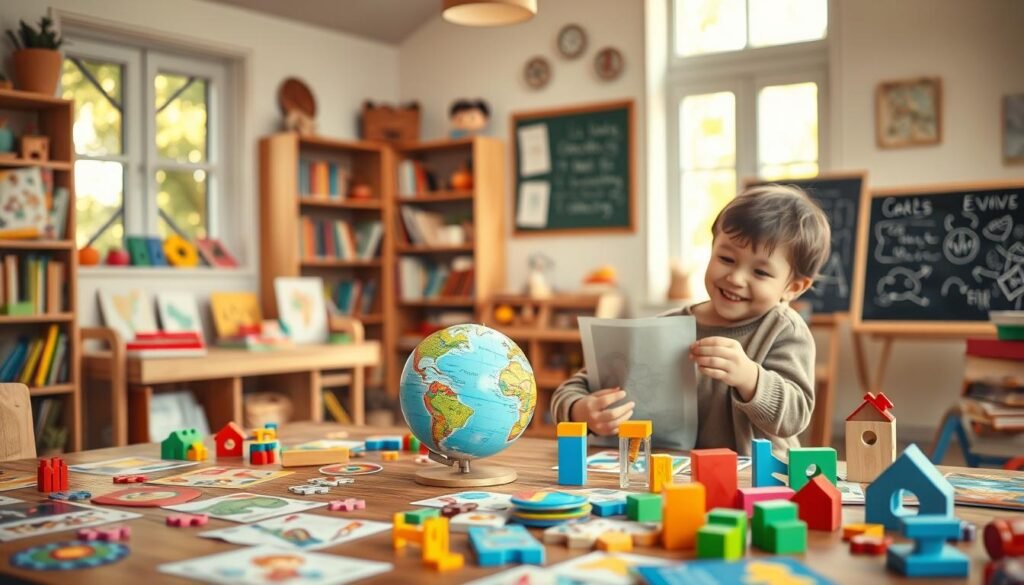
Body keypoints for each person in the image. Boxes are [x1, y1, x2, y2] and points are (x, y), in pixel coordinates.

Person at [551, 184, 831, 454]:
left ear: (793, 287)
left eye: (760, 273)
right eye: (726, 259)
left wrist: (750, 377)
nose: (735, 278)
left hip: (755, 482)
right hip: (670, 479)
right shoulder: (666, 328)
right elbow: (574, 387)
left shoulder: (784, 331)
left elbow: (795, 417)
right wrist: (580, 410)